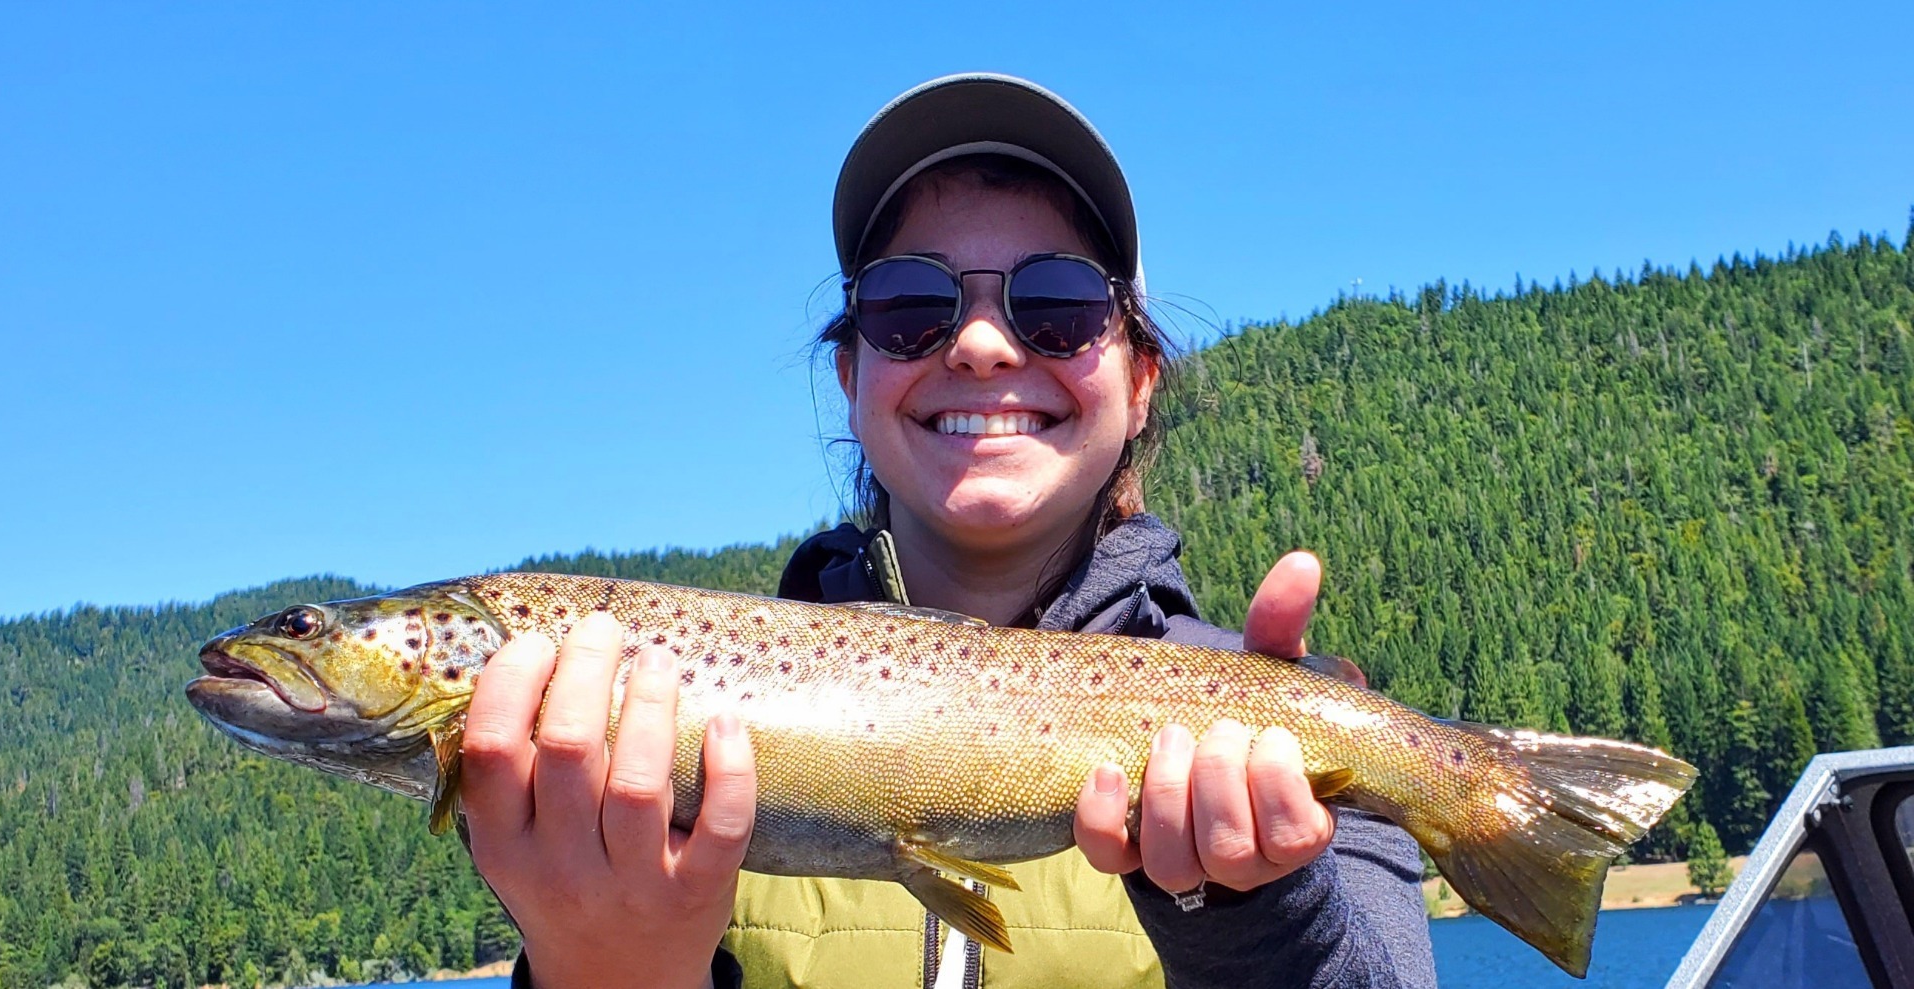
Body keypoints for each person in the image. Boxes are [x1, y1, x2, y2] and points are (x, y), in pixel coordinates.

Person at [459, 74, 1436, 989]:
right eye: (909, 305)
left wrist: (1258, 915)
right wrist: (609, 968)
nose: (977, 342)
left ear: (1142, 381)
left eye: (1056, 304)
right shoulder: (648, 725)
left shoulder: (1297, 734)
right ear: (850, 378)